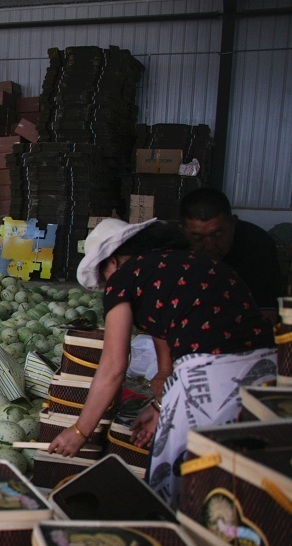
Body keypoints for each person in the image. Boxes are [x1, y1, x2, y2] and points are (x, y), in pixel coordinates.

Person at [47, 218, 275, 509]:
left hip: (214, 376)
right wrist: (161, 406)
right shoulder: (190, 264)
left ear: (112, 262)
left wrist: (80, 431)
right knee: (242, 471)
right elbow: (169, 332)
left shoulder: (124, 278)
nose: (107, 286)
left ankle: (180, 544)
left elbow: (114, 366)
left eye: (104, 277)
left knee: (179, 480)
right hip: (268, 370)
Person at [180, 188, 281, 323]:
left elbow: (266, 316)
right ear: (183, 231)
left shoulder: (257, 245)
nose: (210, 246)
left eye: (218, 235)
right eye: (198, 238)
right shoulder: (173, 249)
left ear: (233, 223)